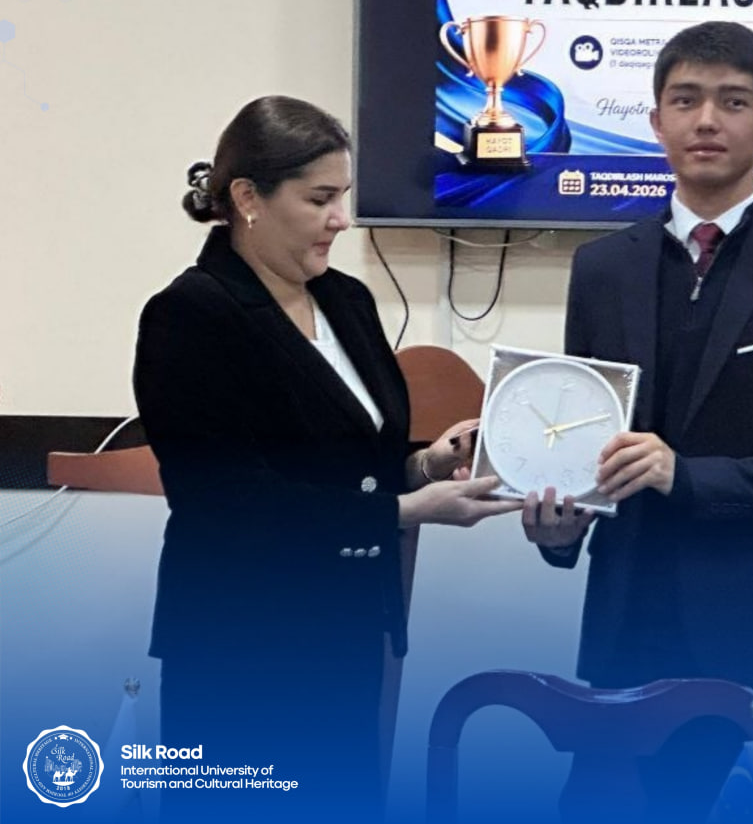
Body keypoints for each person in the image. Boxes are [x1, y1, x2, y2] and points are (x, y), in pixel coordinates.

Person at [523, 22, 753, 823]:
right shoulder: (601, 268)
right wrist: (560, 527)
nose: (706, 121)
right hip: (627, 635)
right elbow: (585, 440)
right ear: (655, 120)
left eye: (733, 102)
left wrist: (686, 477)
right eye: (685, 100)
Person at [133, 96, 511, 821]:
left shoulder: (347, 300)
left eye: (344, 196)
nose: (342, 219)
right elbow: (225, 500)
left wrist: (425, 465)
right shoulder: (191, 314)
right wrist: (403, 510)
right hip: (240, 649)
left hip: (347, 635)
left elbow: (355, 462)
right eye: (320, 199)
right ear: (248, 198)